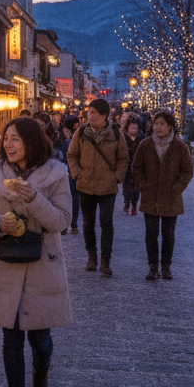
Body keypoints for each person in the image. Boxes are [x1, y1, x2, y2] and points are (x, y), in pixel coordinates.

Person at [0, 117, 73, 387]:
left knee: (40, 340)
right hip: (7, 261)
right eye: (6, 138)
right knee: (11, 339)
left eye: (15, 138)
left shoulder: (56, 174)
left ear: (31, 141)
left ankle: (41, 377)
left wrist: (34, 198)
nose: (8, 144)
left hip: (42, 263)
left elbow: (62, 220)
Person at [65, 98, 128, 276]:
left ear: (104, 115)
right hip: (85, 184)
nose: (89, 116)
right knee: (88, 223)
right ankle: (91, 257)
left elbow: (123, 158)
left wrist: (117, 177)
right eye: (89, 113)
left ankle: (105, 260)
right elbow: (72, 155)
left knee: (106, 222)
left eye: (93, 113)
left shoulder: (115, 134)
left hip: (107, 185)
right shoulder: (81, 132)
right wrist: (77, 173)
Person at [131, 111, 194, 281]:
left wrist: (176, 188)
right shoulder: (145, 145)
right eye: (156, 123)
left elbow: (187, 171)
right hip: (150, 196)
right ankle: (153, 267)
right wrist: (143, 186)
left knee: (168, 234)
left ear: (170, 126)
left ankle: (166, 266)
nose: (158, 127)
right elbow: (137, 167)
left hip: (171, 197)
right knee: (151, 234)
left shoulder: (179, 146)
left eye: (162, 124)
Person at [56, 118, 79, 235]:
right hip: (68, 173)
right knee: (70, 199)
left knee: (69, 199)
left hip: (69, 173)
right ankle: (70, 224)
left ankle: (70, 224)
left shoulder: (68, 142)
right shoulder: (63, 141)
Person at [120, 118, 145, 216]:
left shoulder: (142, 138)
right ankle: (126, 202)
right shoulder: (124, 137)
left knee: (136, 187)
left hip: (138, 166)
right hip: (126, 165)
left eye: (136, 128)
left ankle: (134, 204)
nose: (134, 130)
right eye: (132, 128)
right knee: (126, 186)